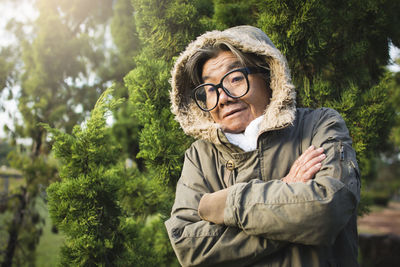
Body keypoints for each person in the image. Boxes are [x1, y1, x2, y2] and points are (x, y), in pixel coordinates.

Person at [166, 25, 360, 266]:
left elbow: (328, 210)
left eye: (235, 78)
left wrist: (224, 204)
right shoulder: (200, 156)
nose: (223, 97)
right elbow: (189, 246)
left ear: (270, 75)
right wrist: (286, 191)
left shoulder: (318, 125)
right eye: (209, 89)